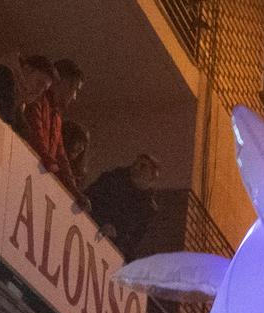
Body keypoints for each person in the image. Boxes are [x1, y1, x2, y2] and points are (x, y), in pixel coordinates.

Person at [21, 58, 85, 196]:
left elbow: (61, 156)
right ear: (63, 82)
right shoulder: (36, 98)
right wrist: (52, 166)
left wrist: (74, 190)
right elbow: (35, 136)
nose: (74, 96)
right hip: (23, 168)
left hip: (34, 176)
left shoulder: (56, 117)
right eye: (74, 89)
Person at [89, 153, 161, 254]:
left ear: (152, 177)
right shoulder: (111, 180)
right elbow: (90, 198)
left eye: (143, 166)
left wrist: (117, 237)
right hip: (90, 229)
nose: (135, 168)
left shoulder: (148, 209)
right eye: (135, 163)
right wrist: (102, 222)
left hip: (112, 251)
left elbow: (135, 240)